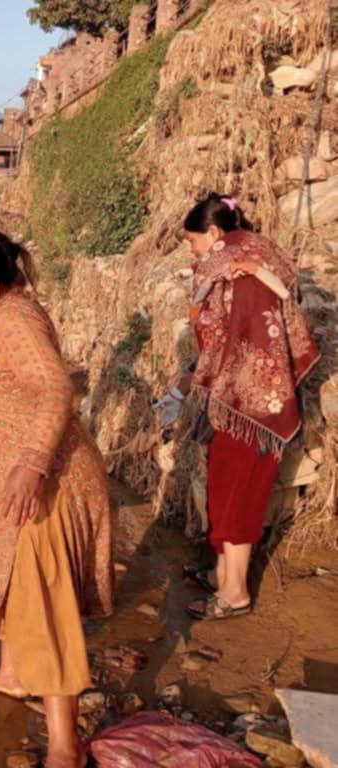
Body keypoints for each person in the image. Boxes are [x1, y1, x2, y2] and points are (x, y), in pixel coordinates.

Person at [0, 229, 114, 768]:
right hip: (30, 476)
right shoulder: (6, 316)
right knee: (20, 584)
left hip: (49, 484)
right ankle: (12, 677)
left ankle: (66, 747)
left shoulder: (14, 321)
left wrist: (32, 463)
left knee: (46, 605)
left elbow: (56, 387)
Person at [171, 194, 318, 621]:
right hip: (259, 395)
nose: (191, 250)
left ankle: (234, 593)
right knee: (229, 487)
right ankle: (222, 574)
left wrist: (197, 367)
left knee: (238, 495)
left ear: (214, 233)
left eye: (191, 240)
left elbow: (218, 331)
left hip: (246, 401)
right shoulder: (260, 250)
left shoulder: (229, 265)